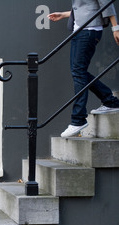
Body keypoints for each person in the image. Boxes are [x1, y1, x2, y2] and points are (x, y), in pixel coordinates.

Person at [48, 0, 119, 138]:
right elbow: (86, 8)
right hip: (80, 31)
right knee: (79, 72)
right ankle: (110, 101)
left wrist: (115, 28)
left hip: (89, 31)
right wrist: (63, 15)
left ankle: (78, 119)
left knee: (78, 71)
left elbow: (107, 4)